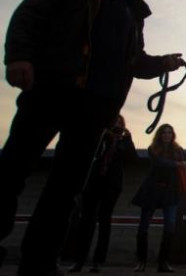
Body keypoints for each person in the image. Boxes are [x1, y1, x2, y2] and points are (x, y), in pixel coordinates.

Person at [0, 0, 184, 274]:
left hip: (96, 108)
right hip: (50, 89)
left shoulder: (130, 4)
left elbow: (134, 60)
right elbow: (30, 14)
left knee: (65, 189)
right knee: (11, 171)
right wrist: (19, 56)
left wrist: (163, 63)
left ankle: (39, 263)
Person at [68, 115, 137, 273]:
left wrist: (127, 139)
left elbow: (133, 159)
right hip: (93, 182)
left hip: (112, 184)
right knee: (86, 221)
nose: (117, 126)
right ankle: (79, 261)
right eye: (114, 122)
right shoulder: (100, 138)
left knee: (104, 220)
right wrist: (103, 137)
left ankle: (98, 261)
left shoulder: (124, 141)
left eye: (120, 123)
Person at [131, 124, 186, 273]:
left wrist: (185, 163)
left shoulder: (178, 150)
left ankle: (163, 262)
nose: (167, 135)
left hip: (170, 192)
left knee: (170, 226)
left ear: (172, 134)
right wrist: (178, 164)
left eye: (169, 132)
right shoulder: (153, 149)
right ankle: (141, 261)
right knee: (143, 227)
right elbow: (160, 163)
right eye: (164, 132)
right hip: (152, 190)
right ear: (159, 135)